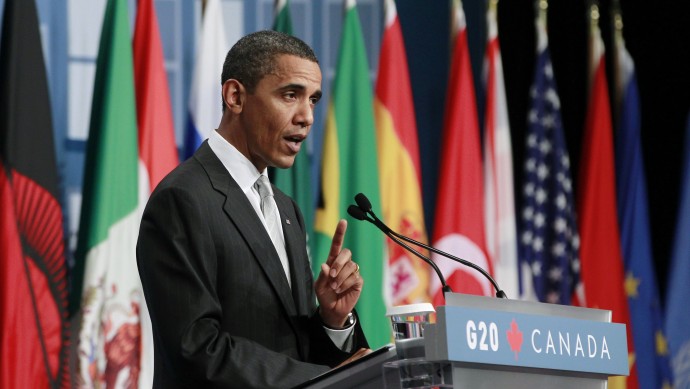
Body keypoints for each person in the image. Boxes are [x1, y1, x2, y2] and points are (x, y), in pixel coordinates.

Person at [136, 30, 370, 389]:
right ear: (235, 97)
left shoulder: (286, 208)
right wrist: (326, 378)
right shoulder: (183, 198)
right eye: (290, 95)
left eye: (313, 100)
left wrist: (332, 320)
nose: (307, 116)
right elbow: (196, 347)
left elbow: (290, 347)